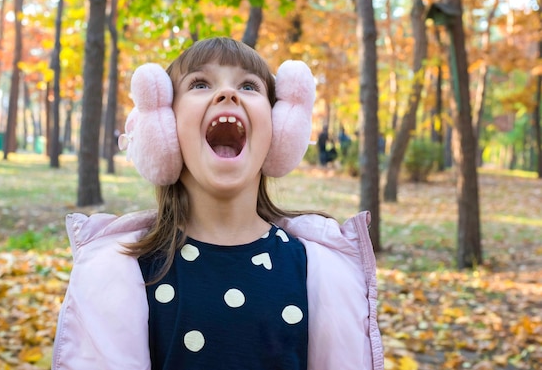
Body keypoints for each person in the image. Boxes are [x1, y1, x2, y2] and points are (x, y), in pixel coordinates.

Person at [52, 37, 383, 370]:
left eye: (249, 86)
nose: (228, 94)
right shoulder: (129, 273)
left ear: (279, 131)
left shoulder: (315, 269)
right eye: (199, 83)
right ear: (164, 130)